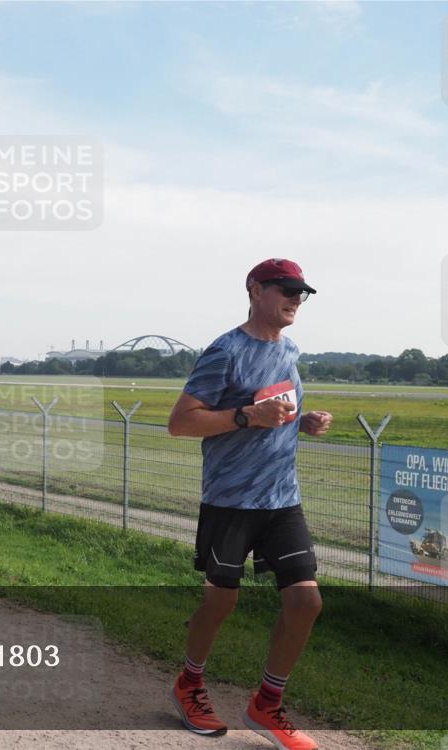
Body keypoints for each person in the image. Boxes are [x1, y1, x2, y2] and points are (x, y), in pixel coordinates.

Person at [167, 259, 333, 750]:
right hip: (231, 500)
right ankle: (189, 684)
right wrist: (246, 417)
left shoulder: (291, 350)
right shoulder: (225, 351)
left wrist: (302, 422)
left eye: (302, 293)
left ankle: (268, 702)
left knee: (306, 601)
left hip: (283, 499)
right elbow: (182, 422)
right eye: (286, 289)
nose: (295, 299)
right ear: (255, 290)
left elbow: (275, 408)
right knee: (221, 600)